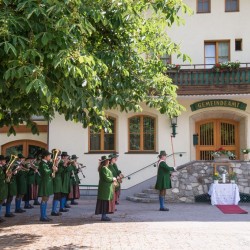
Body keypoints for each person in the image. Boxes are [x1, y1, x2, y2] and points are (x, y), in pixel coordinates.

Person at [95, 156, 117, 221]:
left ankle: (104, 215)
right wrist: (113, 179)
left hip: (106, 187)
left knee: (105, 202)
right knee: (104, 202)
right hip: (105, 188)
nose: (109, 161)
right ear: (105, 161)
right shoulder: (103, 168)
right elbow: (106, 178)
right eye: (107, 160)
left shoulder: (104, 168)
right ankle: (103, 216)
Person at [38, 150, 57, 222]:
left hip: (47, 183)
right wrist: (52, 169)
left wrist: (54, 167)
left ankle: (44, 215)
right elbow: (46, 172)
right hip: (45, 183)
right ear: (45, 157)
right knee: (44, 199)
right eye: (49, 156)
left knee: (46, 199)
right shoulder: (42, 163)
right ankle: (42, 216)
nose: (50, 157)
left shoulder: (46, 163)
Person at [0, 155, 8, 223]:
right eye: (4, 161)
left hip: (2, 187)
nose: (5, 162)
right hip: (0, 187)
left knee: (1, 201)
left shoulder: (2, 167)